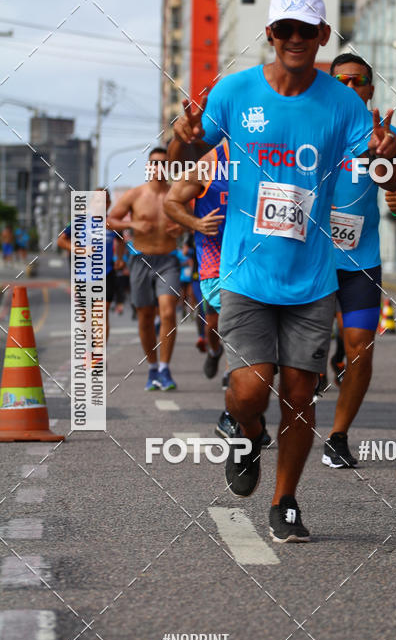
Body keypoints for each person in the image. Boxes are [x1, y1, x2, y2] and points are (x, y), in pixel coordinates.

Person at [166, 0, 396, 543]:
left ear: (322, 37)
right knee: (249, 391)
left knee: (299, 394)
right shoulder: (233, 91)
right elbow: (182, 164)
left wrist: (386, 160)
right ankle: (247, 436)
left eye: (307, 31)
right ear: (270, 34)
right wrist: (181, 139)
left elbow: (369, 177)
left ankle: (285, 500)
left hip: (314, 278)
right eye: (285, 30)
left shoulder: (342, 105)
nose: (296, 39)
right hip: (247, 272)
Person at [322, 53, 396, 469]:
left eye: (357, 81)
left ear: (370, 90)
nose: (349, 87)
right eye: (340, 80)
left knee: (361, 349)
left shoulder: (387, 136)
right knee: (301, 355)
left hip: (361, 260)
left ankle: (338, 436)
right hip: (311, 260)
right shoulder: (310, 127)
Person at [164, 139, 272, 445]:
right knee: (228, 333)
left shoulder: (270, 155)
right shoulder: (212, 161)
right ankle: (235, 411)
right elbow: (171, 202)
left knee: (249, 340)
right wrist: (195, 222)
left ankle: (244, 412)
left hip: (259, 266)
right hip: (217, 267)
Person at [107, 147, 184, 391]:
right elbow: (110, 220)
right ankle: (152, 368)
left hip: (168, 260)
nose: (159, 167)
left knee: (168, 312)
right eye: (155, 163)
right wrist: (132, 223)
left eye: (164, 163)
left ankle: (165, 368)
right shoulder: (135, 195)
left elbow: (190, 220)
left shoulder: (176, 195)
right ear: (149, 166)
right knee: (145, 317)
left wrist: (180, 228)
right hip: (141, 261)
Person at [57, 187, 120, 344]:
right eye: (97, 200)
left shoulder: (111, 223)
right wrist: (80, 250)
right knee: (86, 318)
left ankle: (99, 356)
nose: (100, 204)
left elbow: (122, 241)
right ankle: (88, 349)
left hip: (107, 273)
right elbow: (61, 240)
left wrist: (120, 257)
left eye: (103, 201)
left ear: (108, 203)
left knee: (101, 314)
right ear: (92, 202)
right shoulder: (80, 220)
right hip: (84, 275)